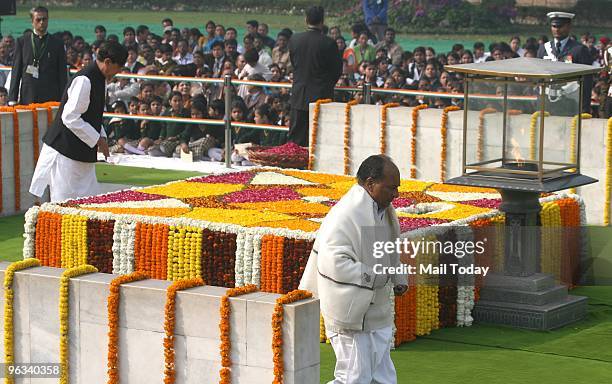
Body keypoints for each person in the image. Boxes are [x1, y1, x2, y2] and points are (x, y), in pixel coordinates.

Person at [299, 154, 408, 384]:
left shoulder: (384, 210)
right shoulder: (345, 214)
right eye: (391, 188)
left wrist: (398, 276)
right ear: (370, 183)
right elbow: (332, 262)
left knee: (383, 377)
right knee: (353, 378)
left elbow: (390, 250)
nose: (396, 195)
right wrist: (372, 277)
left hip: (376, 312)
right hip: (351, 311)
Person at [29, 41, 127, 202]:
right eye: (119, 67)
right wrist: (96, 139)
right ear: (108, 62)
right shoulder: (85, 80)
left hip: (81, 151)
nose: (119, 71)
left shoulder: (100, 78)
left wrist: (101, 137)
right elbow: (70, 117)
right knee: (65, 202)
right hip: (65, 150)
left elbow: (92, 114)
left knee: (89, 201)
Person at [288, 6, 342, 146]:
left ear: (306, 19)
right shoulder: (328, 42)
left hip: (299, 94)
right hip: (321, 95)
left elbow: (295, 64)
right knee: (319, 139)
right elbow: (336, 70)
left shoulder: (295, 39)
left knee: (296, 140)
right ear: (322, 21)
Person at [8, 6, 67, 105]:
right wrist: (12, 98)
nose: (42, 22)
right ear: (32, 21)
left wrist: (64, 98)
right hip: (28, 95)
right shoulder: (22, 41)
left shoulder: (57, 43)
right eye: (38, 19)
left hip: (51, 96)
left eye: (44, 19)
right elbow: (16, 72)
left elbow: (62, 74)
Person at [537, 12, 593, 113]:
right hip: (548, 102)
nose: (557, 29)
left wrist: (584, 107)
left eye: (560, 26)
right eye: (554, 26)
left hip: (571, 102)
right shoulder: (543, 49)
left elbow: (587, 80)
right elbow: (539, 78)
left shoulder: (579, 50)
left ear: (569, 27)